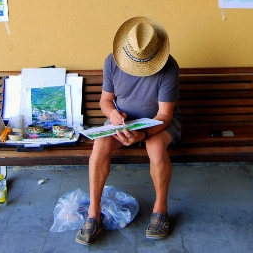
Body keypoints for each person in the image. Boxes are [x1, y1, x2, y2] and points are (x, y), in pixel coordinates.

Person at [75, 16, 182, 245]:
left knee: (154, 147)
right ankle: (93, 214)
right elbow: (105, 101)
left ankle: (160, 210)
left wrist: (142, 135)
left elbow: (164, 116)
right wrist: (112, 114)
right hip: (123, 122)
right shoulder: (112, 62)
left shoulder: (169, 67)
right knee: (100, 144)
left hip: (158, 122)